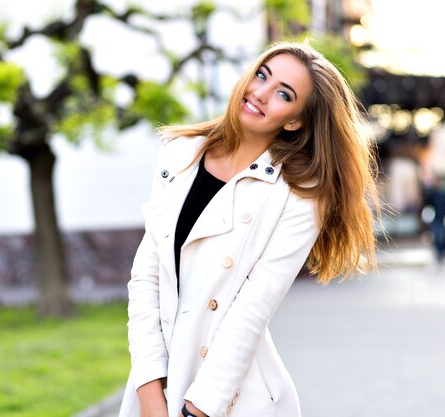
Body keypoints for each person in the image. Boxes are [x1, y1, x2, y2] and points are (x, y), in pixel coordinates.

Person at [118, 42, 380, 417]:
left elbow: (251, 311)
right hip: (155, 388)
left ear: (294, 121)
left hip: (230, 398)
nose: (260, 92)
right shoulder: (179, 154)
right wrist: (149, 392)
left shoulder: (299, 197)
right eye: (262, 75)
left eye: (283, 94)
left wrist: (198, 409)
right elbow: (146, 277)